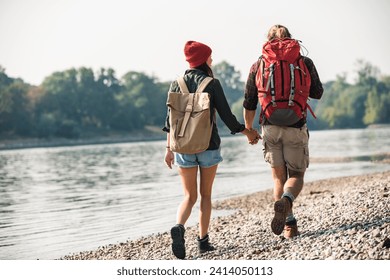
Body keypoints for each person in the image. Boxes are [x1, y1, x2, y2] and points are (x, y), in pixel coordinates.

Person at [163, 40, 259, 259]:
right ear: (203, 59)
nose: (212, 60)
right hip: (209, 146)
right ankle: (203, 242)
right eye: (210, 57)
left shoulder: (176, 84)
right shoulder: (212, 84)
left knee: (189, 196)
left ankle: (179, 226)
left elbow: (169, 120)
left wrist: (168, 149)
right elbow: (227, 117)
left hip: (182, 147)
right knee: (206, 195)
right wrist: (248, 132)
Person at [243, 25, 324, 239]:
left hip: (269, 126)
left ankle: (289, 224)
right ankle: (287, 201)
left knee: (278, 178)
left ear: (267, 41)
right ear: (291, 39)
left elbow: (249, 101)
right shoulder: (304, 62)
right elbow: (318, 92)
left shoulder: (259, 64)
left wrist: (249, 129)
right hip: (296, 125)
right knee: (296, 175)